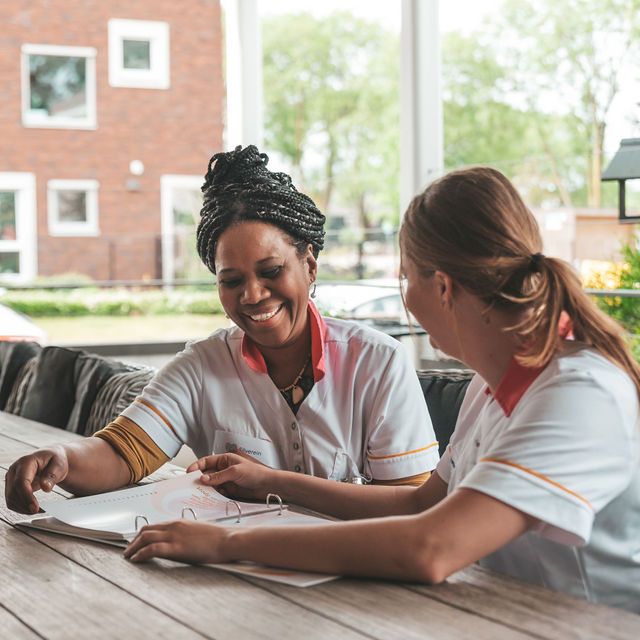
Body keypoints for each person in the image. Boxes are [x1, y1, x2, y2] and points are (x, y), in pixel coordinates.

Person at [124, 167, 640, 614]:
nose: (405, 295)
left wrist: (227, 542)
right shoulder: (492, 386)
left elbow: (430, 545)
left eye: (404, 276)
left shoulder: (578, 394)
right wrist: (271, 481)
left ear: (441, 286)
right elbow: (420, 507)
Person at [5, 145, 439, 516]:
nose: (252, 295)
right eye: (231, 280)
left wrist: (273, 483)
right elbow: (120, 454)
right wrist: (60, 458)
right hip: (235, 581)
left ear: (309, 264)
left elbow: (412, 504)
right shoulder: (201, 365)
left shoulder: (378, 363)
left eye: (271, 271)